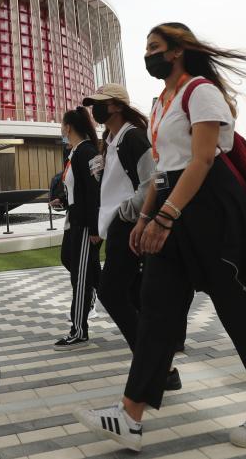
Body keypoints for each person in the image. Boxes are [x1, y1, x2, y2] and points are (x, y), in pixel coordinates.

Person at [75, 23, 246, 451]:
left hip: (211, 207)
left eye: (155, 47)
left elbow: (201, 160)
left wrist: (165, 218)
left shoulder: (201, 92)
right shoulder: (162, 102)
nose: (148, 55)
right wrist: (146, 218)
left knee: (237, 309)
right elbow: (161, 171)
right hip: (173, 202)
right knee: (158, 311)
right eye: (146, 49)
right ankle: (130, 415)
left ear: (178, 51)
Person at [83, 83, 183, 391]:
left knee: (113, 293)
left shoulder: (132, 137)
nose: (94, 110)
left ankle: (153, 363)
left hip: (129, 225)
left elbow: (152, 180)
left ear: (115, 106)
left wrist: (128, 213)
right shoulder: (112, 140)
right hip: (120, 225)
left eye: (99, 104)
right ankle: (160, 367)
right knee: (134, 296)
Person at [55, 107, 103, 350]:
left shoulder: (87, 152)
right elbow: (75, 189)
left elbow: (95, 192)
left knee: (80, 276)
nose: (61, 129)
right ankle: (101, 290)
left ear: (69, 127)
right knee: (73, 262)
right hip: (73, 219)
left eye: (62, 125)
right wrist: (62, 201)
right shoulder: (72, 153)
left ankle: (79, 329)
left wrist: (95, 228)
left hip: (84, 223)